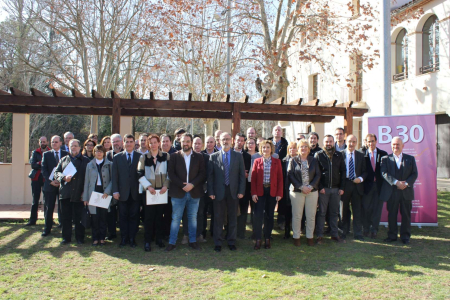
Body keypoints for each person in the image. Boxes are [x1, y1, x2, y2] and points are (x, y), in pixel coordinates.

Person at [165, 133, 206, 252]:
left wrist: (192, 184)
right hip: (178, 192)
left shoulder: (199, 157)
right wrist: (182, 185)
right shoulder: (174, 156)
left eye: (188, 141)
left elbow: (202, 174)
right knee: (176, 218)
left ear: (191, 142)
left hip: (194, 192)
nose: (186, 143)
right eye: (183, 141)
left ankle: (192, 241)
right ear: (180, 142)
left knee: (192, 218)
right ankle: (172, 242)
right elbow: (171, 174)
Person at [208, 132, 246, 252]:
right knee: (218, 218)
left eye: (228, 139)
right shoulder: (213, 157)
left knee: (232, 218)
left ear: (232, 140)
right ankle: (218, 242)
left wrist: (241, 191)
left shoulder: (238, 156)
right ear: (219, 141)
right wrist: (211, 191)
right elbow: (210, 177)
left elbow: (241, 176)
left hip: (233, 191)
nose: (225, 141)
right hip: (218, 192)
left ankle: (231, 241)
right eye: (223, 139)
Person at [381, 137, 418, 245]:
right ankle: (392, 236)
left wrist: (405, 184)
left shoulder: (410, 159)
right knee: (392, 214)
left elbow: (414, 174)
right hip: (392, 192)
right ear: (391, 146)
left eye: (398, 144)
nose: (395, 147)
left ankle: (405, 236)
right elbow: (384, 173)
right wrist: (397, 182)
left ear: (403, 146)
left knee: (406, 215)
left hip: (406, 192)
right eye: (393, 144)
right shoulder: (385, 159)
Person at [137, 134, 170, 252]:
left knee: (160, 217)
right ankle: (147, 241)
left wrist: (166, 186)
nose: (153, 144)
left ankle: (159, 239)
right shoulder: (143, 157)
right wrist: (148, 187)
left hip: (162, 192)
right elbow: (139, 174)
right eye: (151, 143)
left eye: (155, 142)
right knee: (149, 217)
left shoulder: (166, 156)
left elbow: (170, 174)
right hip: (149, 192)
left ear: (159, 143)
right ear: (148, 144)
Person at [54, 139, 90, 245]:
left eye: (75, 146)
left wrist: (85, 192)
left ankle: (80, 238)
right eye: (71, 146)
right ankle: (66, 238)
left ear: (80, 148)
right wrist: (64, 177)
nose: (73, 148)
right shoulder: (63, 160)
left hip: (79, 194)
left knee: (79, 218)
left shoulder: (86, 160)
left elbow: (88, 178)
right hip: (66, 194)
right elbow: (56, 172)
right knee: (66, 217)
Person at [251, 140, 283, 250]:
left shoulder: (277, 162)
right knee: (258, 216)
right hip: (260, 192)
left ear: (271, 149)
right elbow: (253, 179)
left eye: (268, 147)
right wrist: (254, 193)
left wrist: (279, 193)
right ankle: (258, 239)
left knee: (269, 216)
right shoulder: (257, 161)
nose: (266, 149)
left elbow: (280, 179)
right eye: (263, 147)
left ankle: (267, 238)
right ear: (261, 149)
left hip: (272, 191)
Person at [288, 139, 320, 246]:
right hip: (297, 191)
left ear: (309, 149)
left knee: (311, 215)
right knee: (297, 215)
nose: (303, 148)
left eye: (306, 146)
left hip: (312, 191)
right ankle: (296, 237)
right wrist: (301, 187)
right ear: (298, 149)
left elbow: (318, 175)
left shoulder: (314, 160)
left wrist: (310, 186)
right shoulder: (293, 160)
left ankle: (309, 237)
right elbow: (290, 175)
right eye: (301, 146)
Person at [315, 135, 346, 244]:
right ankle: (319, 235)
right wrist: (320, 187)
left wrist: (342, 187)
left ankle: (334, 235)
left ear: (333, 142)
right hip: (324, 190)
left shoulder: (339, 155)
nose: (329, 144)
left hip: (336, 189)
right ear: (324, 143)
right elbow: (316, 173)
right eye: (326, 142)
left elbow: (343, 172)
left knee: (334, 213)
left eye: (330, 141)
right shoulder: (318, 155)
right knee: (322, 213)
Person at [112, 134, 142, 248]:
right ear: (123, 143)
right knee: (123, 217)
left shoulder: (140, 157)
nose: (129, 144)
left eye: (131, 141)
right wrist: (115, 191)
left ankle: (132, 238)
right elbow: (114, 176)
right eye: (127, 142)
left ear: (134, 143)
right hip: (122, 193)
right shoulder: (117, 157)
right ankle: (124, 238)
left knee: (134, 217)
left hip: (135, 193)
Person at [83, 145, 113, 246]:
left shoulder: (110, 164)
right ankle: (95, 238)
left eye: (101, 151)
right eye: (96, 151)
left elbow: (113, 180)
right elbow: (86, 182)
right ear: (94, 153)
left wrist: (108, 191)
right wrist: (85, 198)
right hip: (93, 192)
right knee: (95, 217)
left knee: (103, 217)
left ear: (104, 152)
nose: (99, 153)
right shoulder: (89, 165)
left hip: (104, 192)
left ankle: (102, 238)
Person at [340, 134, 367, 241]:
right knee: (344, 210)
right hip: (345, 185)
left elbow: (365, 171)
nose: (351, 144)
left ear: (356, 143)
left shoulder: (361, 155)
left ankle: (358, 233)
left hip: (357, 185)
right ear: (346, 142)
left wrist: (360, 178)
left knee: (357, 210)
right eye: (350, 141)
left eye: (354, 142)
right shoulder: (340, 154)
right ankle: (344, 231)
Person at [362, 134, 388, 239]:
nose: (371, 143)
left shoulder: (383, 154)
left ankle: (374, 230)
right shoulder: (362, 154)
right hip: (366, 186)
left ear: (376, 141)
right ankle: (366, 229)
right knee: (366, 208)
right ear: (366, 142)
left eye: (372, 141)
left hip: (379, 186)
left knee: (377, 209)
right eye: (369, 141)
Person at [41, 135, 68, 236]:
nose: (54, 144)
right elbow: (44, 170)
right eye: (52, 142)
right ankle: (47, 229)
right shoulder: (46, 155)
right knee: (49, 208)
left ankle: (63, 228)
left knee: (63, 208)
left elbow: (68, 169)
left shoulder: (66, 154)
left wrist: (61, 181)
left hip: (63, 185)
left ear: (61, 143)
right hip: (50, 186)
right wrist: (50, 181)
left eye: (56, 142)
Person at [26, 136, 50, 226]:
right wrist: (42, 163)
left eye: (44, 141)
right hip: (36, 178)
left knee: (47, 200)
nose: (43, 143)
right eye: (41, 142)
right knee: (35, 200)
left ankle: (47, 220)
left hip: (46, 179)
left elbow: (50, 165)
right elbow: (33, 165)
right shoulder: (35, 152)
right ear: (39, 143)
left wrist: (38, 163)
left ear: (47, 142)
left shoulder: (50, 152)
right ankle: (32, 220)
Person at [105, 133, 123, 240]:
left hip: (123, 188)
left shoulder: (126, 154)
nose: (115, 143)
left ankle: (123, 233)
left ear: (121, 142)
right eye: (113, 142)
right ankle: (111, 233)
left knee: (122, 212)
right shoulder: (107, 155)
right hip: (110, 188)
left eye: (117, 141)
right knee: (110, 212)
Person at [234, 133, 252, 239]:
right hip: (231, 188)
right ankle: (230, 232)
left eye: (242, 140)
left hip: (244, 188)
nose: (239, 142)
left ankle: (241, 233)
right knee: (231, 212)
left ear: (244, 142)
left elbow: (248, 173)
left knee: (243, 211)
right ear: (234, 140)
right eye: (238, 140)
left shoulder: (247, 156)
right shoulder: (229, 153)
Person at [280, 141, 298, 239]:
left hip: (297, 189)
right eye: (290, 148)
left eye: (294, 148)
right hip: (285, 189)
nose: (292, 150)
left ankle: (297, 230)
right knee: (287, 211)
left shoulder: (299, 160)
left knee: (296, 211)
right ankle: (287, 231)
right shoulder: (283, 161)